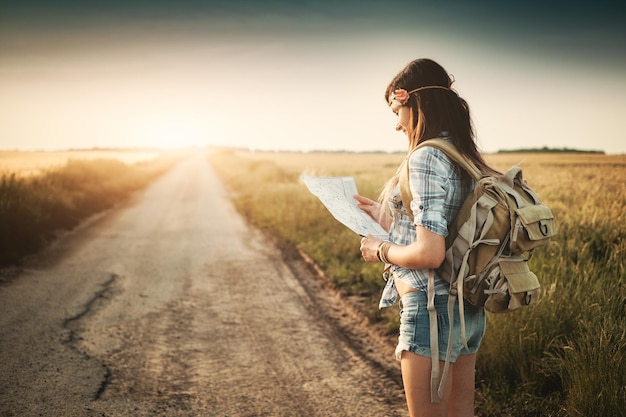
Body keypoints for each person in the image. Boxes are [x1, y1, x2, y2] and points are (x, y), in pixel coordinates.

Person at [355, 58, 498, 417]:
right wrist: (388, 216)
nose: (396, 123)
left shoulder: (426, 157)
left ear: (414, 102)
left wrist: (380, 249)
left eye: (396, 109)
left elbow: (430, 252)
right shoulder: (463, 153)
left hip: (432, 310)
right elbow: (449, 228)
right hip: (466, 307)